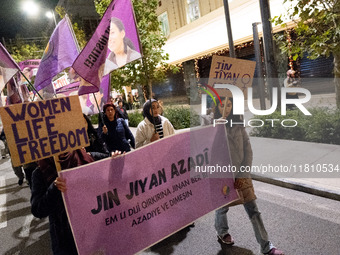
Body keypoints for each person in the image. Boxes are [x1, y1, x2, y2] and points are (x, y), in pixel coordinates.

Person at [213, 97, 284, 255]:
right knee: (222, 208)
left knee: (253, 210)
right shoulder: (211, 126)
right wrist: (215, 130)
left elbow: (248, 151)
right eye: (222, 104)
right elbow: (207, 151)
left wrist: (242, 175)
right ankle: (222, 231)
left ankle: (266, 246)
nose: (226, 107)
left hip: (241, 175)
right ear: (217, 107)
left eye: (229, 104)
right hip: (222, 176)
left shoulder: (238, 125)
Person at [30, 150, 94, 255]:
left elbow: (111, 177)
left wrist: (116, 159)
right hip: (65, 238)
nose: (60, 149)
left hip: (94, 232)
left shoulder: (87, 158)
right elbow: (38, 210)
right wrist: (54, 189)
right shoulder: (39, 173)